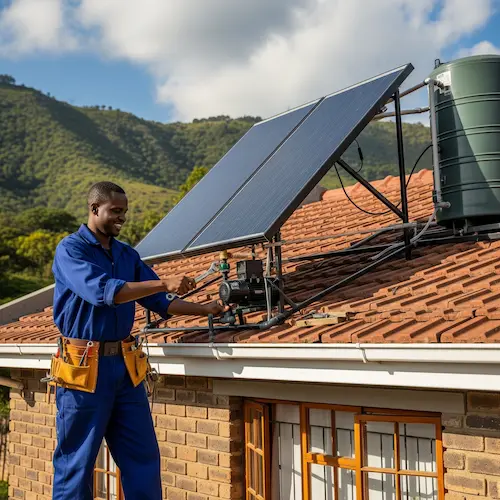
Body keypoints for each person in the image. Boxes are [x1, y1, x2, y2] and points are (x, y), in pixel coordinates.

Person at [50, 181, 226, 500]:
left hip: (126, 369)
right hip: (82, 368)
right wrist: (162, 281)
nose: (122, 218)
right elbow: (104, 291)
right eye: (115, 211)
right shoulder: (71, 249)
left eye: (125, 212)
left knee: (143, 459)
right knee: (75, 464)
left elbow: (160, 300)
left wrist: (206, 308)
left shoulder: (126, 254)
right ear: (94, 209)